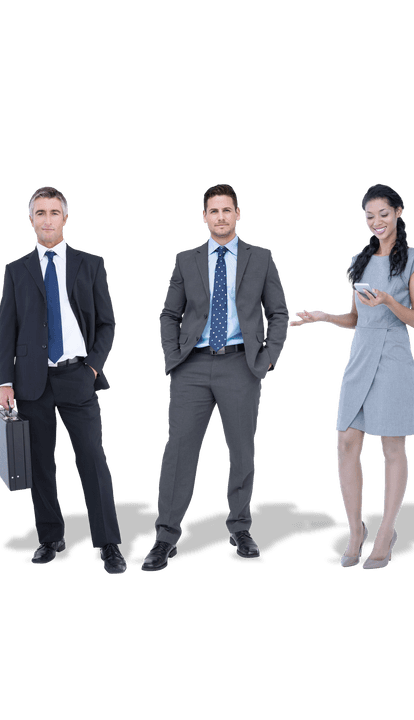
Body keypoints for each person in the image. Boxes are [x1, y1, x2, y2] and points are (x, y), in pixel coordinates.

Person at [141, 184, 289, 572]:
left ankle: (240, 527)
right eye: (213, 211)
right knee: (178, 452)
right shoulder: (185, 259)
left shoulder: (262, 257)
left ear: (238, 213)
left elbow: (279, 312)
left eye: (227, 210)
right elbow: (168, 315)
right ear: (204, 216)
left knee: (242, 451)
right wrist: (174, 360)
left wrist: (267, 359)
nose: (221, 217)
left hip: (241, 365)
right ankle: (166, 536)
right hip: (191, 366)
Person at [291, 184, 414, 570]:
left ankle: (386, 531)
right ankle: (356, 530)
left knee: (391, 447)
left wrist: (388, 301)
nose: (377, 222)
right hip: (360, 354)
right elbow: (355, 318)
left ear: (399, 211)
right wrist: (324, 317)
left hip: (394, 354)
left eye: (383, 213)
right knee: (347, 441)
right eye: (370, 216)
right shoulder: (358, 259)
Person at [0, 186, 126, 575]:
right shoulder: (16, 270)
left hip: (77, 376)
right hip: (30, 381)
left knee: (93, 461)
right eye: (40, 213)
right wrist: (4, 382)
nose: (47, 219)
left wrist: (92, 368)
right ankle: (51, 538)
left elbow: (107, 323)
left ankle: (109, 544)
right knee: (40, 466)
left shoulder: (91, 264)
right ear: (31, 219)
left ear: (65, 218)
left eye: (54, 212)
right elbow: (6, 331)